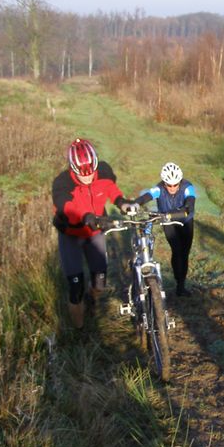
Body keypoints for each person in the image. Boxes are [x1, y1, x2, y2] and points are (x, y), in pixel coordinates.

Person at [52, 138, 139, 329]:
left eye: (91, 173)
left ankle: (91, 299)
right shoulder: (62, 183)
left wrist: (122, 203)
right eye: (82, 175)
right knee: (75, 287)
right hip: (71, 235)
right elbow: (66, 207)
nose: (88, 177)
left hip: (95, 233)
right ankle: (80, 331)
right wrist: (86, 216)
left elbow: (111, 189)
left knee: (100, 283)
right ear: (72, 169)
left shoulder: (104, 172)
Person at [136, 162, 196, 296]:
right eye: (169, 185)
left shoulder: (188, 187)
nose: (173, 187)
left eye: (176, 184)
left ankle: (181, 285)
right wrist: (134, 204)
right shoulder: (159, 188)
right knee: (177, 251)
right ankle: (178, 282)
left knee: (185, 253)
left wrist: (179, 211)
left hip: (185, 221)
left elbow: (190, 205)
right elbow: (146, 196)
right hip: (168, 222)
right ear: (164, 183)